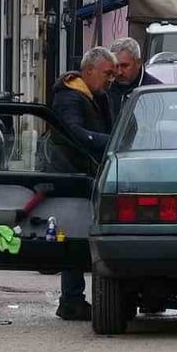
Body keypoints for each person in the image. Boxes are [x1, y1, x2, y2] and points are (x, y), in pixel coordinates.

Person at [49, 46, 117, 321]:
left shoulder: (95, 95)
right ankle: (71, 299)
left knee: (80, 234)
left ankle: (74, 298)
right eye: (107, 74)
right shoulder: (70, 97)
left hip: (86, 173)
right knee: (74, 235)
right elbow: (73, 133)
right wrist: (110, 143)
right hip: (71, 175)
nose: (111, 79)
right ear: (89, 71)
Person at [106, 37, 162, 121]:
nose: (119, 72)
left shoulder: (155, 91)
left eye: (124, 66)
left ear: (138, 63)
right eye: (116, 66)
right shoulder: (105, 87)